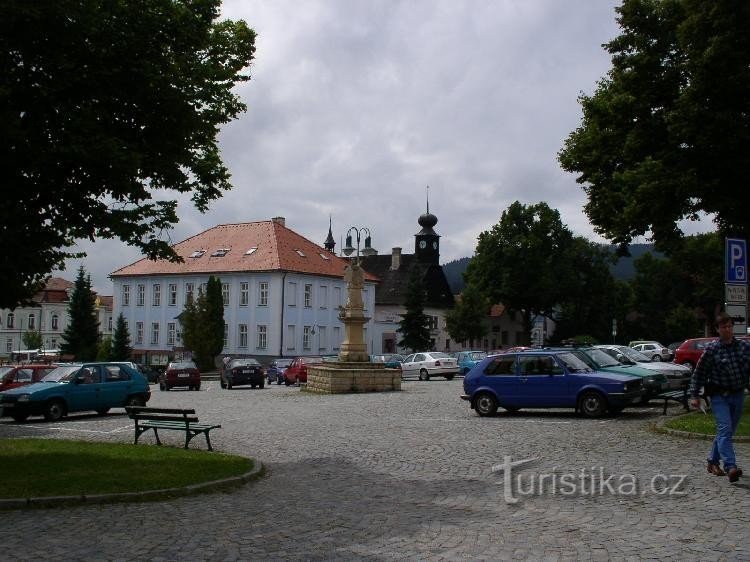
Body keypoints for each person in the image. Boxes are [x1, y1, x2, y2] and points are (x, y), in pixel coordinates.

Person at [690, 312, 750, 482]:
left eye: (730, 326)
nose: (728, 329)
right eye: (724, 327)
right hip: (719, 397)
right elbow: (699, 373)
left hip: (738, 395)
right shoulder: (712, 349)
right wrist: (694, 395)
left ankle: (712, 461)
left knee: (728, 431)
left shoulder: (743, 347)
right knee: (725, 429)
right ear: (717, 329)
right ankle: (731, 467)